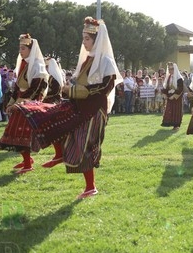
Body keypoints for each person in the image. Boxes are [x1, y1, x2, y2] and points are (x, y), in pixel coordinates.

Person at [16, 17, 122, 198]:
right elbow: (78, 82)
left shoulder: (106, 61)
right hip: (80, 106)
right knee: (54, 122)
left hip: (95, 110)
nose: (84, 42)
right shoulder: (88, 60)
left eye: (87, 39)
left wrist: (76, 91)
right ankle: (60, 155)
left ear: (97, 40)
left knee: (85, 144)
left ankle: (91, 187)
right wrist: (70, 89)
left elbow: (105, 87)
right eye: (83, 39)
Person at [0, 33, 49, 174]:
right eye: (20, 48)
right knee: (16, 133)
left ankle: (28, 164)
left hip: (29, 105)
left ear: (31, 50)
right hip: (20, 104)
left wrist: (19, 103)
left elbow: (35, 89)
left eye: (23, 48)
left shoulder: (37, 66)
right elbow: (18, 87)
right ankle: (27, 161)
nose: (20, 51)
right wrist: (10, 103)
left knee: (22, 135)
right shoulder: (24, 64)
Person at [161, 61, 184, 131]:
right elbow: (166, 87)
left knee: (176, 111)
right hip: (169, 96)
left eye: (171, 69)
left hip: (177, 98)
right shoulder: (169, 77)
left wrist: (174, 95)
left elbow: (181, 89)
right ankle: (170, 123)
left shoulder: (179, 78)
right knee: (170, 110)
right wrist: (164, 93)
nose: (170, 70)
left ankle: (176, 125)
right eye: (169, 69)